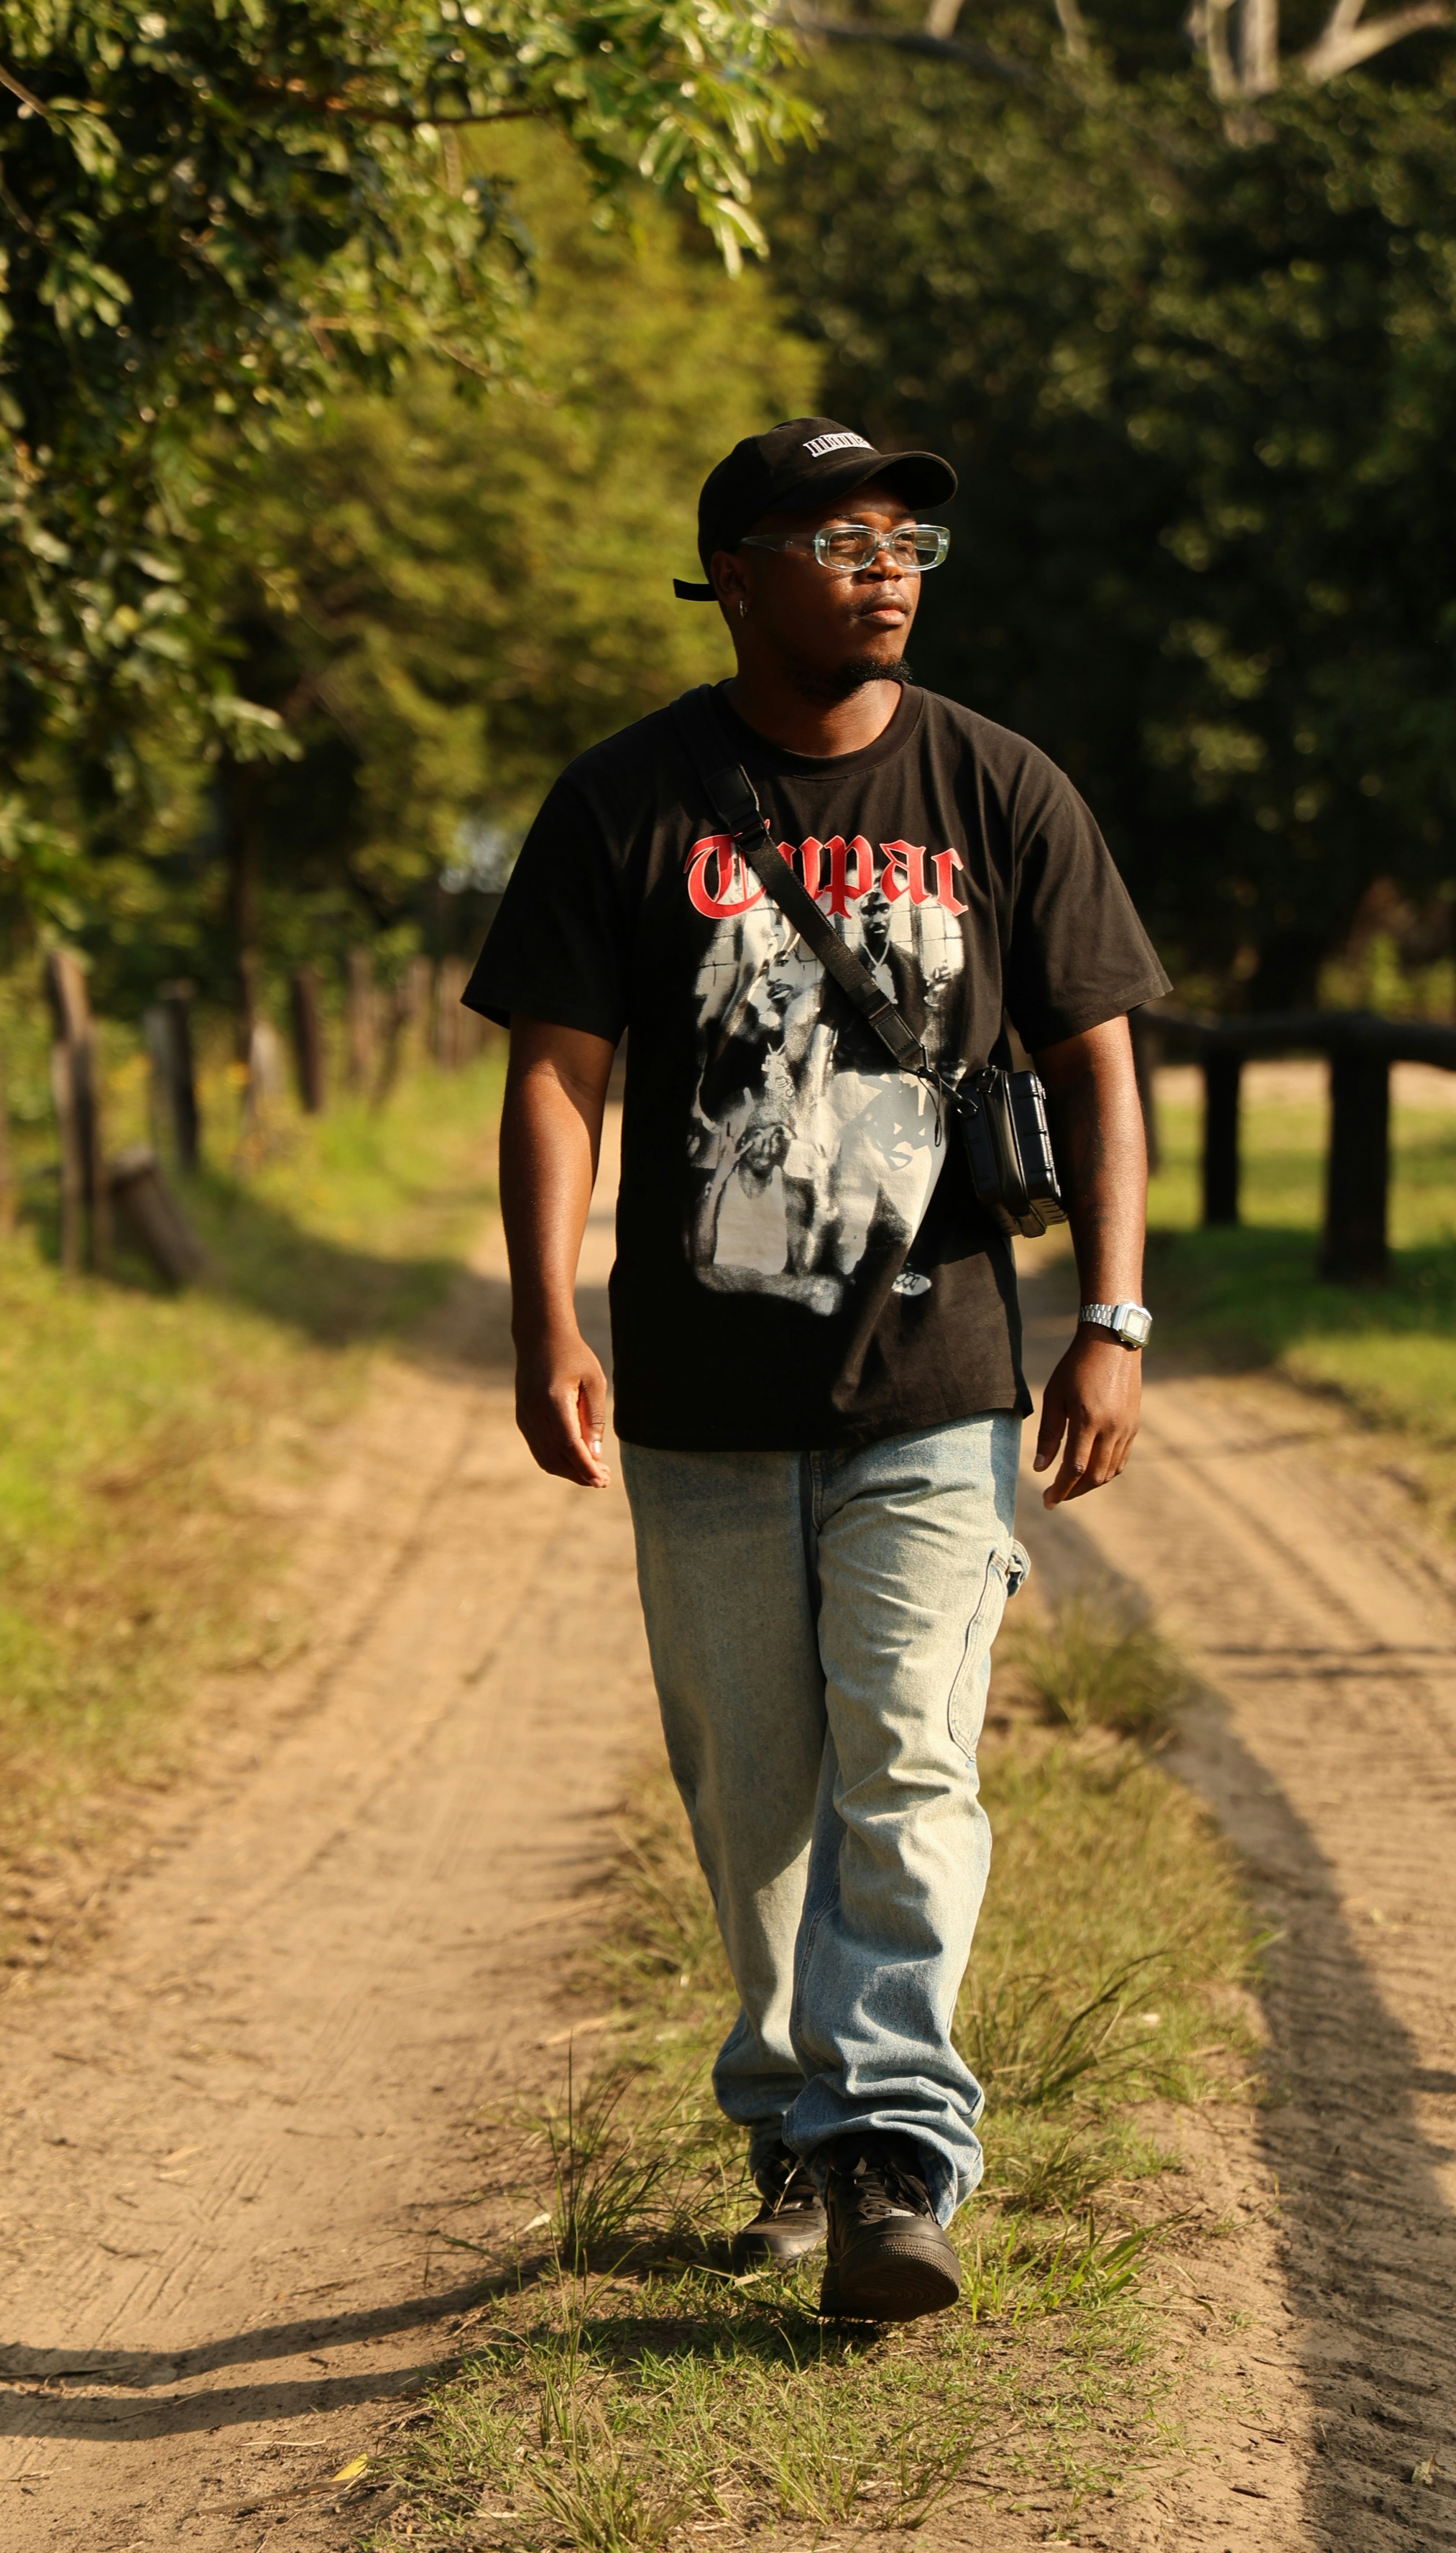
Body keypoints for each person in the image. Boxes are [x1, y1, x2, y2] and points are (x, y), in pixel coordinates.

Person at [464, 417, 1168, 2323]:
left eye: (907, 535)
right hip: (700, 1386)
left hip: (935, 1377)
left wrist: (1111, 1315)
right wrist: (549, 1317)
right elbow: (555, 1069)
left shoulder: (1000, 786)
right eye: (839, 534)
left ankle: (895, 2151)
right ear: (736, 570)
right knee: (752, 1786)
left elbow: (1099, 1055)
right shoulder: (630, 799)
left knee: (910, 1763)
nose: (887, 564)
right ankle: (789, 2120)